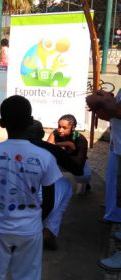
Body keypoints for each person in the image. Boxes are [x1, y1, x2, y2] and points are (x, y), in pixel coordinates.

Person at [0, 95, 62, 280]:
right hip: (30, 230)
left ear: (1, 123)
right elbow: (49, 201)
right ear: (31, 122)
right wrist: (33, 219)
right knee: (27, 275)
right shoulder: (45, 157)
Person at [86, 59, 121, 271]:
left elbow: (117, 111)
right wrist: (104, 103)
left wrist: (103, 100)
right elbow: (112, 112)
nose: (118, 67)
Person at [27, 120, 84, 250]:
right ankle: (49, 231)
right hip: (36, 194)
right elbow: (78, 170)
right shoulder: (51, 149)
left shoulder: (6, 148)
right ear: (42, 133)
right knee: (65, 185)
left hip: (12, 194)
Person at [47, 114, 92, 195]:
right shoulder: (55, 133)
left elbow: (79, 164)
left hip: (74, 162)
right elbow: (47, 149)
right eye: (59, 126)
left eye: (64, 128)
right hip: (62, 160)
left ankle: (85, 184)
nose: (60, 130)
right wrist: (66, 143)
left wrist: (64, 154)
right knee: (46, 166)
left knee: (84, 176)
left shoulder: (81, 139)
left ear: (73, 127)